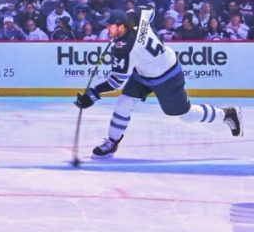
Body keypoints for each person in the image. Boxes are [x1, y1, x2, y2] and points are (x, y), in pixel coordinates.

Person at [74, 9, 242, 159]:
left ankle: (227, 114)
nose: (106, 29)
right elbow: (150, 12)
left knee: (187, 115)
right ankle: (112, 142)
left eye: (110, 26)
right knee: (124, 101)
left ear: (121, 26)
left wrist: (94, 93)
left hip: (166, 75)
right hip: (144, 73)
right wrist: (136, 19)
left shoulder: (124, 48)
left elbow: (116, 82)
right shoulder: (137, 18)